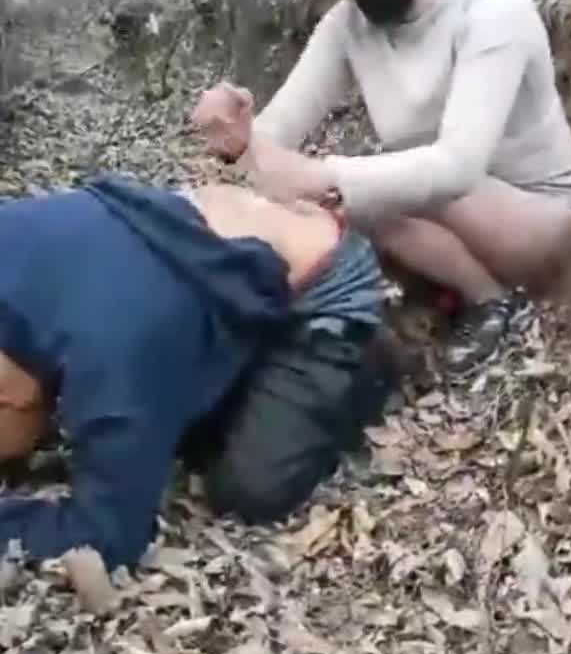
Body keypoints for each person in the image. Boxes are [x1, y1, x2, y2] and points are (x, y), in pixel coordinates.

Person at [193, 0, 571, 368]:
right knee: (357, 199)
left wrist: (324, 175)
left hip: (532, 219)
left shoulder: (493, 8)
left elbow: (458, 166)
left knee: (372, 184)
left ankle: (495, 302)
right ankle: (486, 298)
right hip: (441, 207)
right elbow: (278, 132)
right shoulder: (352, 22)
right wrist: (238, 137)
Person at [0, 166, 393, 570]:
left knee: (251, 488)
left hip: (321, 282)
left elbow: (108, 536)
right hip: (199, 241)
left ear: (9, 401)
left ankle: (367, 362)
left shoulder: (113, 366)